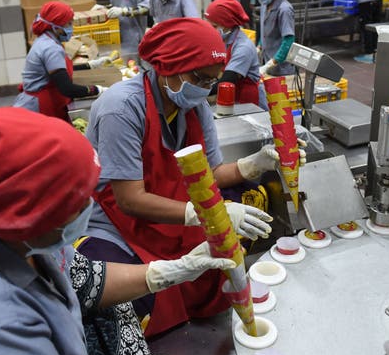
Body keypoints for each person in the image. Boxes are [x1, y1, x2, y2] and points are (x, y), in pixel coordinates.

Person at [0, 108, 235, 355]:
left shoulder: (7, 235)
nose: (89, 205)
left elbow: (84, 280)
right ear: (32, 213)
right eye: (78, 199)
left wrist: (174, 269)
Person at [82, 18, 308, 337]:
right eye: (200, 78)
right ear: (168, 68)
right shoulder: (121, 108)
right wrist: (201, 214)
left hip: (171, 210)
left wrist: (254, 165)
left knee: (220, 262)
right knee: (132, 298)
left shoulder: (195, 106)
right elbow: (129, 200)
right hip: (116, 222)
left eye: (211, 82)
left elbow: (212, 174)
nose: (205, 89)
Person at [13, 0, 104, 122]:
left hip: (37, 101)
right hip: (40, 107)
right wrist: (97, 90)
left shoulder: (46, 40)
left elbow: (59, 71)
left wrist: (90, 65)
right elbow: (67, 88)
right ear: (55, 26)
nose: (71, 28)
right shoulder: (51, 48)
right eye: (68, 24)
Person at [204, 0, 268, 109]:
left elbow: (228, 79)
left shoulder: (243, 47)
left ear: (228, 25)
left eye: (214, 26)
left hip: (249, 102)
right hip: (232, 98)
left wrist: (199, 93)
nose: (210, 30)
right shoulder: (223, 40)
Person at [256, 0, 296, 76]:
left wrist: (271, 63)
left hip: (282, 69)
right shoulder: (265, 6)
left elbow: (288, 41)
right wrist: (259, 47)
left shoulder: (284, 10)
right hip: (268, 63)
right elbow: (264, 30)